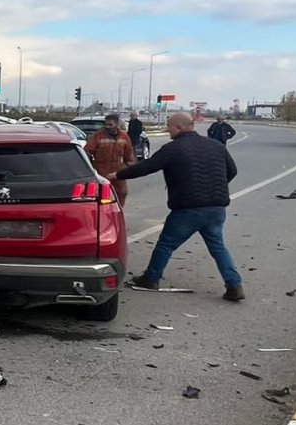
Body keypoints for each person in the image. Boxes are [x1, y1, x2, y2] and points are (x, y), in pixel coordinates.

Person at [108, 112, 243, 301]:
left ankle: (151, 278)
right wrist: (214, 189)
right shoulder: (216, 146)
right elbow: (232, 171)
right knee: (217, 246)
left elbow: (147, 167)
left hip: (188, 209)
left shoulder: (173, 149)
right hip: (216, 208)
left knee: (166, 244)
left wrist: (118, 175)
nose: (167, 129)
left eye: (169, 126)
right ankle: (234, 285)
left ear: (180, 127)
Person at [84, 113, 135, 207]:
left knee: (122, 192)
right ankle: (103, 212)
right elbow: (87, 151)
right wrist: (91, 167)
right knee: (102, 194)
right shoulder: (98, 136)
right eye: (106, 124)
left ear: (116, 124)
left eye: (110, 124)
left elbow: (129, 155)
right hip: (101, 171)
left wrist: (128, 168)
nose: (107, 126)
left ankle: (118, 211)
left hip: (118, 171)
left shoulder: (124, 137)